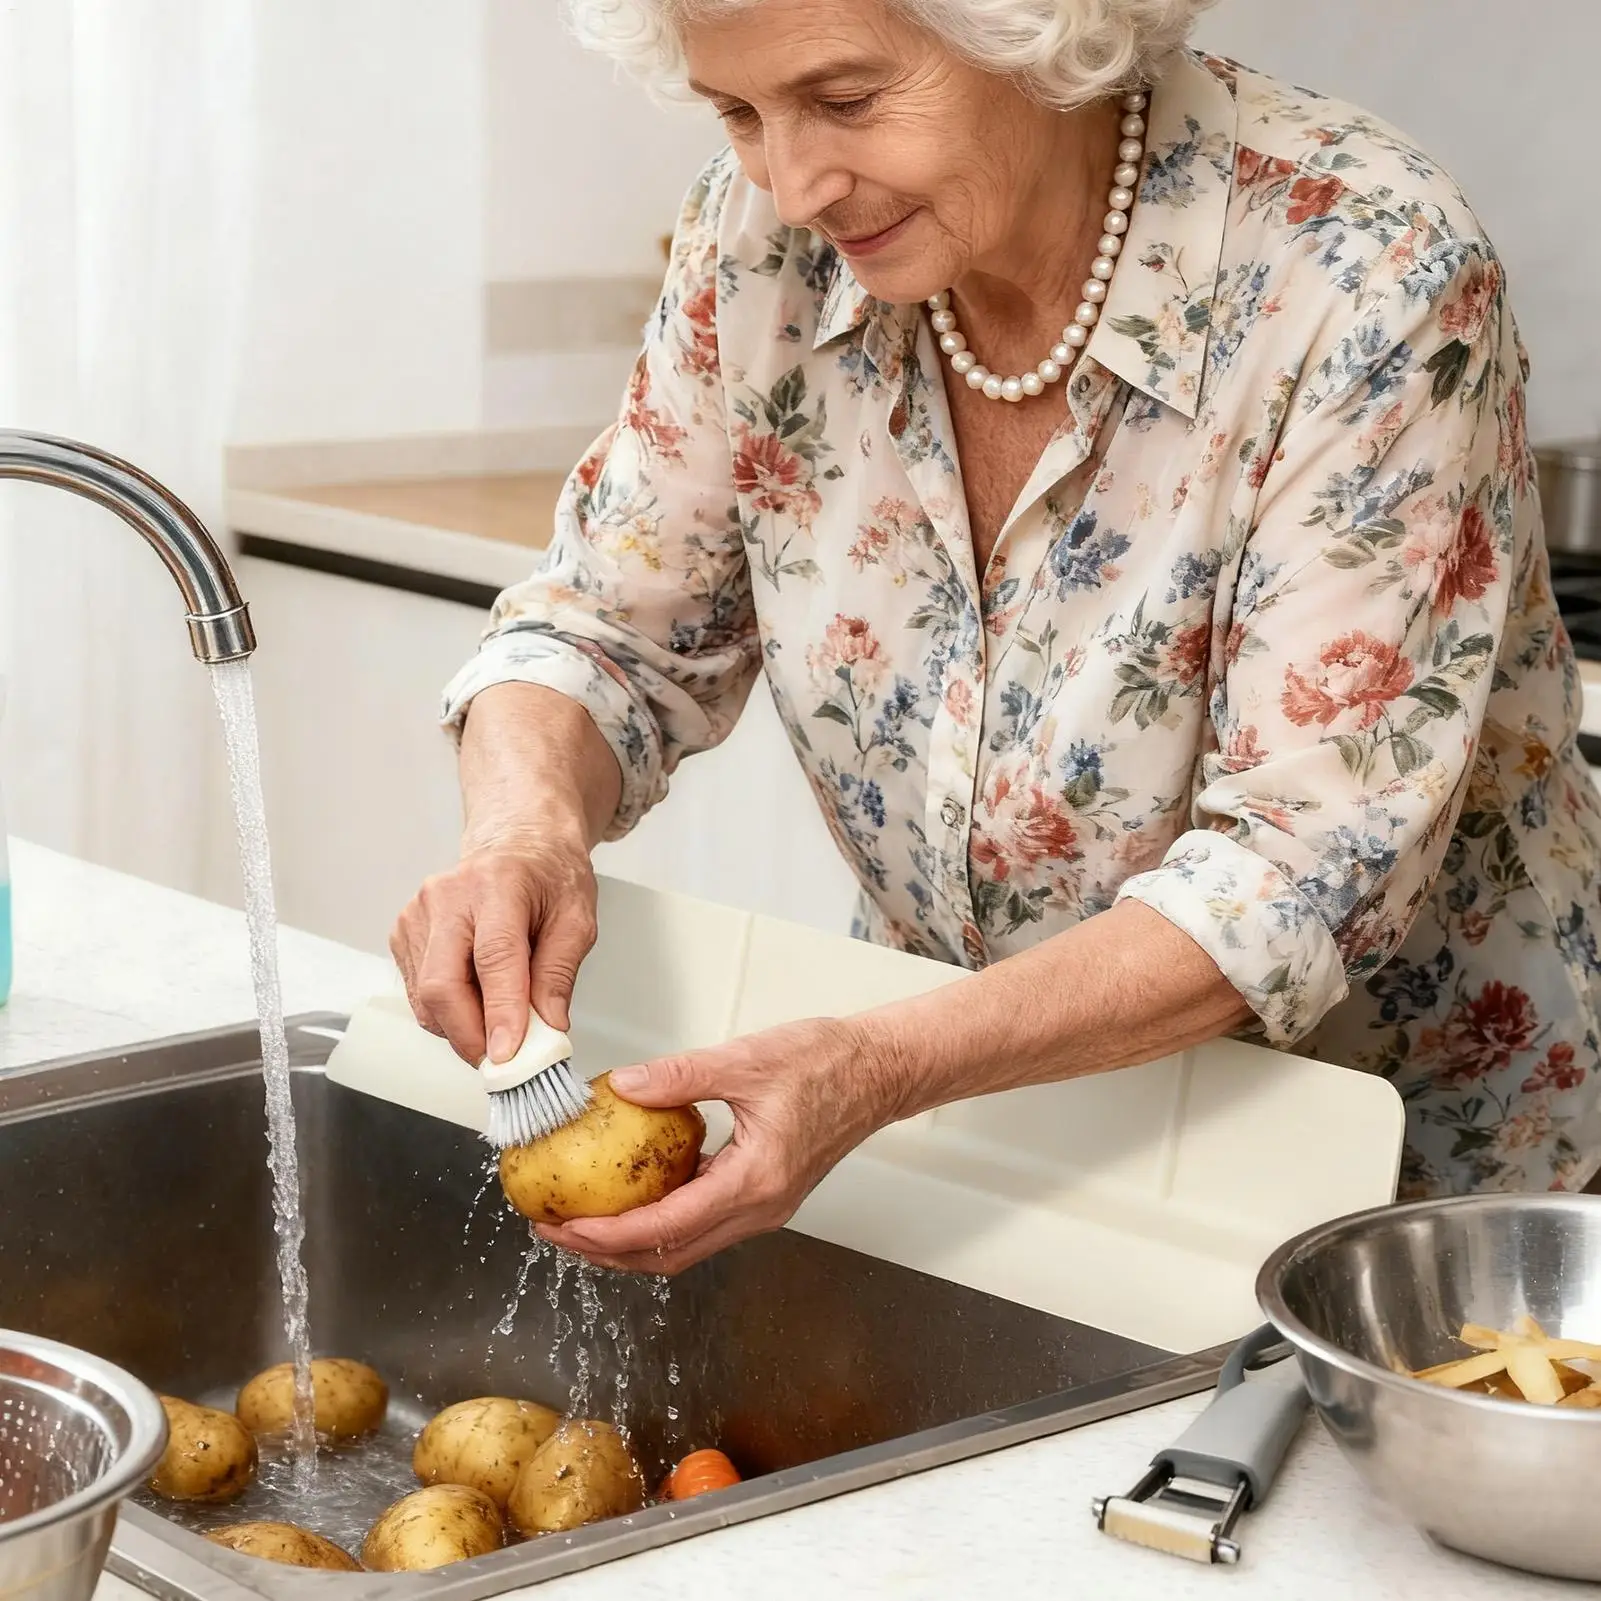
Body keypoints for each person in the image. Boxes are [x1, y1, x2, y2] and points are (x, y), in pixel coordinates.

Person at [392, 0, 1601, 1272]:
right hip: (973, 1129)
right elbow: (605, 628)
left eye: (846, 101)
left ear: (1040, 31)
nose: (795, 184)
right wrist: (521, 830)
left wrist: (878, 1063)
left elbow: (1291, 875)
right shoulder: (758, 245)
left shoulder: (1366, 269)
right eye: (739, 114)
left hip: (1387, 1200)